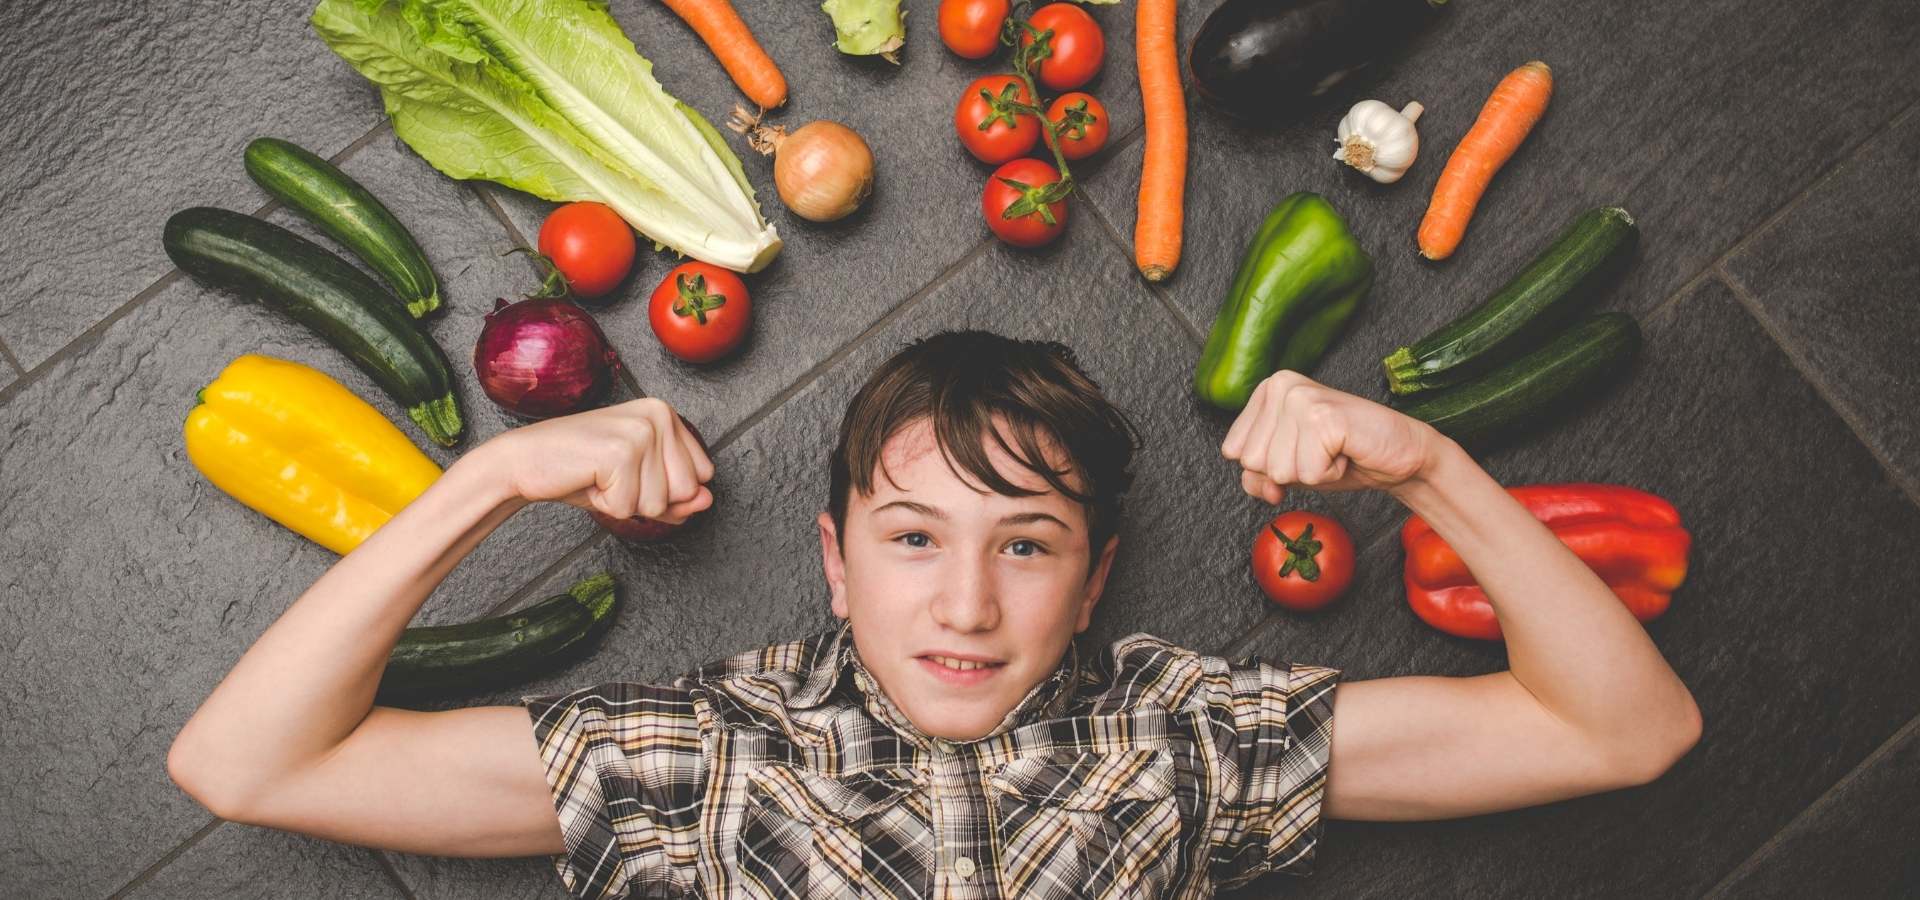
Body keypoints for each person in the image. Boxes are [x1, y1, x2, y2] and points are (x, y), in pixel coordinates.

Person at [167, 330, 1700, 898]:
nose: (965, 602)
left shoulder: (1181, 732)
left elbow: (1626, 732)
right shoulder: (703, 754)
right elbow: (246, 769)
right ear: (836, 564)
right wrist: (488, 483)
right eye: (914, 537)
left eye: (1026, 546)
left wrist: (1428, 465)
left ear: (1096, 579)